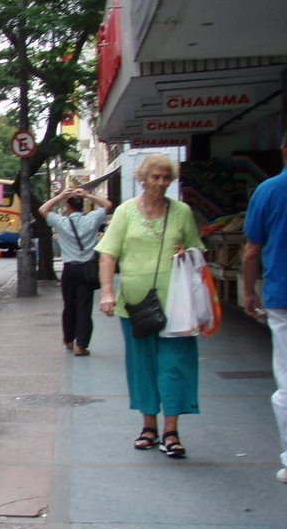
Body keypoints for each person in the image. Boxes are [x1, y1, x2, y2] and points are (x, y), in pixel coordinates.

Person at [96, 154, 203, 459]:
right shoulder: (125, 212)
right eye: (155, 177)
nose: (161, 183)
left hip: (178, 306)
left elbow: (198, 250)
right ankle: (148, 427)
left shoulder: (182, 212)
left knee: (174, 365)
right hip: (136, 305)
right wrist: (107, 292)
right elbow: (108, 254)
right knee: (143, 365)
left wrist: (188, 251)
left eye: (166, 178)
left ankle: (171, 431)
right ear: (141, 179)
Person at [242, 129, 287, 484]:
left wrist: (247, 291)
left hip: (281, 297)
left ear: (284, 151)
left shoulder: (269, 190)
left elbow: (252, 249)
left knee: (286, 382)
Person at [39, 187, 112, 356]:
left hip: (69, 270)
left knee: (69, 306)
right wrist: (88, 195)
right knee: (84, 308)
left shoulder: (61, 222)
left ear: (67, 206)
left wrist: (59, 196)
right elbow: (108, 205)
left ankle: (68, 340)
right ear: (82, 206)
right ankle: (82, 345)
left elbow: (42, 210)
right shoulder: (92, 219)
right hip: (87, 269)